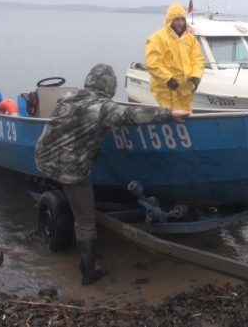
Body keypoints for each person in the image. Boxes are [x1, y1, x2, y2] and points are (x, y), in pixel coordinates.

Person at [35, 63, 190, 286]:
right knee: (85, 218)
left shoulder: (68, 97)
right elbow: (130, 114)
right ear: (110, 86)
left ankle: (82, 253)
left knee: (75, 203)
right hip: (71, 170)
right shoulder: (103, 108)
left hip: (43, 159)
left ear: (89, 81)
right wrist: (168, 113)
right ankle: (88, 273)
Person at [145, 2, 205, 112]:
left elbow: (197, 60)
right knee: (175, 116)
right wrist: (168, 80)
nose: (180, 23)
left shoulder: (190, 39)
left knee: (187, 115)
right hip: (166, 89)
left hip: (185, 89)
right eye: (177, 20)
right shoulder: (157, 39)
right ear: (170, 21)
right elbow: (152, 64)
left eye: (182, 20)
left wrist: (196, 76)